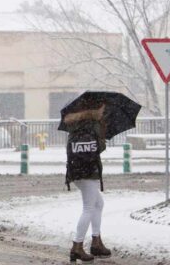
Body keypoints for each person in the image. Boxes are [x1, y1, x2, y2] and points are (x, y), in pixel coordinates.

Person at [64, 108, 112, 263]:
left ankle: (96, 241)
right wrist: (102, 132)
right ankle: (77, 246)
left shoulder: (75, 125)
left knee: (98, 203)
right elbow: (100, 147)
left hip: (76, 170)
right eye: (103, 109)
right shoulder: (93, 126)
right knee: (89, 208)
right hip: (88, 171)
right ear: (97, 110)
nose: (104, 111)